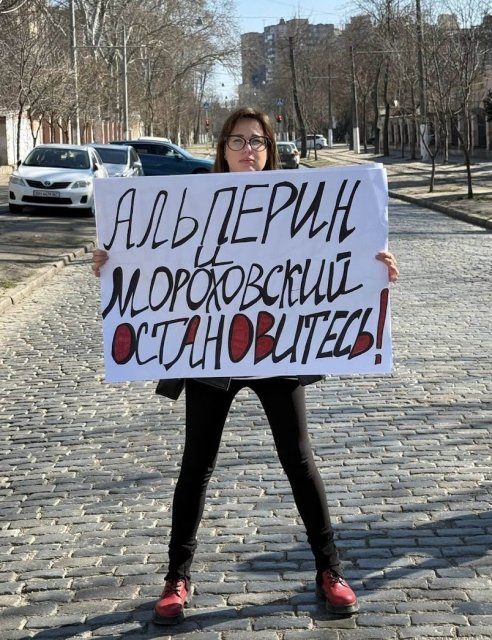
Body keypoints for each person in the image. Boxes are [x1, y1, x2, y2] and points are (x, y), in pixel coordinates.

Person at [92, 107, 399, 625]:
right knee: (196, 465)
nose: (247, 149)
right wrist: (113, 262)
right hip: (210, 354)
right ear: (223, 149)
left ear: (270, 148)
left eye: (257, 140)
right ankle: (176, 577)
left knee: (299, 460)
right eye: (237, 140)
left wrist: (377, 268)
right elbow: (156, 258)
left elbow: (339, 253)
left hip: (277, 350)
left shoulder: (295, 199)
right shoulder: (193, 202)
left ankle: (330, 570)